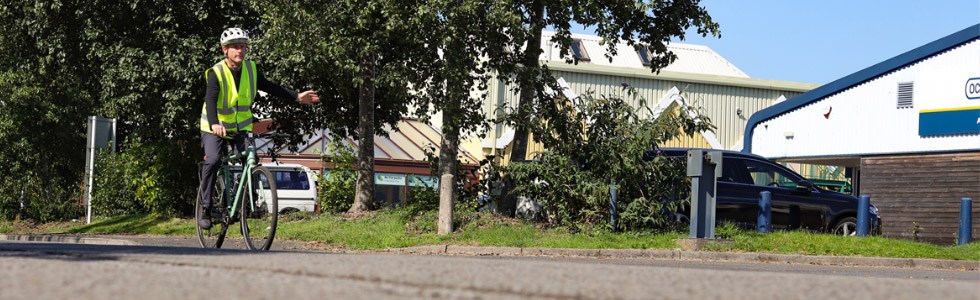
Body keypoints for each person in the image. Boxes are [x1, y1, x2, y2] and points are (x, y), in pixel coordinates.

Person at [198, 27, 320, 229]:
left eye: (243, 47)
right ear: (225, 50)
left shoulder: (251, 69)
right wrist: (214, 123)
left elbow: (271, 87)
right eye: (235, 47)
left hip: (241, 128)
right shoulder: (216, 72)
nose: (240, 51)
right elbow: (210, 100)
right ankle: (206, 207)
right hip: (214, 128)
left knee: (250, 160)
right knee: (212, 160)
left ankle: (240, 201)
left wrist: (296, 96)